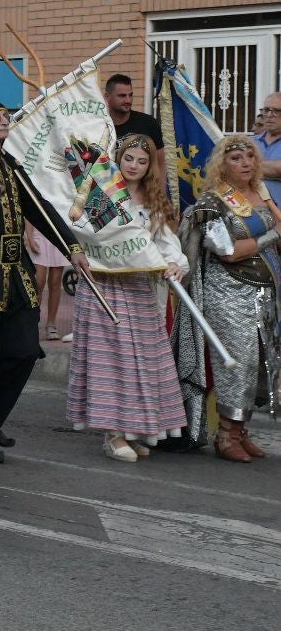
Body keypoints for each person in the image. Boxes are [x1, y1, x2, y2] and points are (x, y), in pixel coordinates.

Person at [0, 100, 88, 463]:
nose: (3, 121)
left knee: (25, 351)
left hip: (18, 274)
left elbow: (40, 211)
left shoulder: (12, 167)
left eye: (5, 117)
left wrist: (71, 246)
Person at [66, 134, 186, 461]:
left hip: (139, 288)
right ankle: (113, 434)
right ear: (118, 159)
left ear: (150, 167)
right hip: (103, 286)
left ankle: (134, 429)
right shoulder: (97, 192)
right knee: (111, 361)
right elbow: (79, 233)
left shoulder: (155, 201)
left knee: (141, 363)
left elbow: (164, 242)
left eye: (142, 161)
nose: (134, 166)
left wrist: (175, 262)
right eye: (129, 158)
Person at [173, 134, 280, 462]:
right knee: (238, 361)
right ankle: (225, 436)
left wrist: (270, 203)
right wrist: (273, 234)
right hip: (227, 291)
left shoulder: (259, 195)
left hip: (264, 291)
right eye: (237, 158)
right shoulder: (213, 202)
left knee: (262, 361)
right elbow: (228, 251)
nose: (246, 163)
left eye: (250, 157)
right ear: (222, 164)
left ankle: (240, 430)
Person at [104, 74, 164, 153]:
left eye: (130, 95)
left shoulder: (149, 124)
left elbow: (161, 162)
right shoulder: (98, 126)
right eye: (122, 96)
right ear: (107, 96)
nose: (128, 100)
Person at [253, 92, 281, 207]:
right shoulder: (249, 142)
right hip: (250, 216)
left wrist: (247, 169)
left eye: (276, 110)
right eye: (266, 110)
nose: (270, 114)